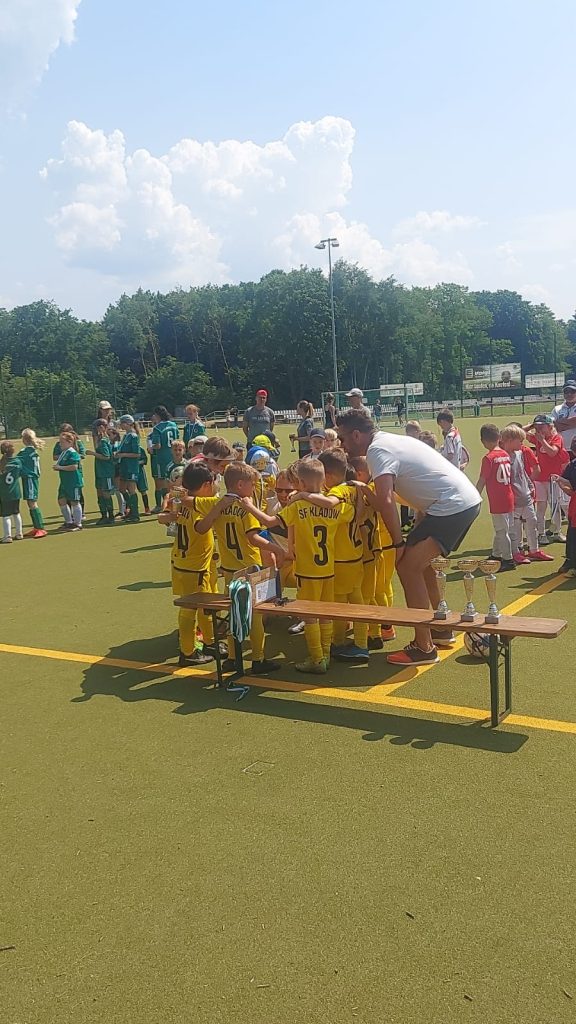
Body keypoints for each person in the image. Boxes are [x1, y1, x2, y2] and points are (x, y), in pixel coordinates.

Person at [336, 408, 481, 665]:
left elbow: (386, 500)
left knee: (407, 566)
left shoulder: (377, 450)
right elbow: (394, 494)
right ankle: (441, 628)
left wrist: (398, 542)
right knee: (421, 566)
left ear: (356, 435)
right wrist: (365, 491)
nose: (342, 445)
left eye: (343, 438)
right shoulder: (388, 441)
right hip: (455, 503)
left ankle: (424, 647)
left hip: (452, 506)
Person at [248, 459, 355, 674]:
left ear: (302, 484)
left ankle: (316, 658)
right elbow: (353, 513)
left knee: (309, 615)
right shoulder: (335, 505)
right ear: (323, 481)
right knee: (325, 612)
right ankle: (325, 654)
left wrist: (249, 506)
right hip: (328, 569)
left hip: (307, 571)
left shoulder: (297, 506)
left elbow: (269, 522)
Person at [195, 461, 285, 675]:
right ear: (240, 484)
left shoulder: (217, 503)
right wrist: (277, 549)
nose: (254, 488)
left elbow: (200, 525)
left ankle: (232, 658)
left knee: (234, 612)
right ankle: (258, 659)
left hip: (229, 568)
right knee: (255, 614)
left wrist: (217, 508)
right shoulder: (246, 507)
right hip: (250, 567)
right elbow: (253, 538)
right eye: (252, 484)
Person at [159, 460, 229, 667]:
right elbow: (201, 526)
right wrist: (218, 509)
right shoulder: (198, 505)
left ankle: (210, 641)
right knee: (190, 608)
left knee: (207, 606)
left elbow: (164, 516)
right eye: (214, 482)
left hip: (190, 562)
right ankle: (188, 651)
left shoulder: (180, 499)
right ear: (207, 484)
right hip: (193, 566)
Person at [499, 425, 552, 563]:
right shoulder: (502, 457)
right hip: (514, 498)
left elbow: (522, 472)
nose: (522, 444)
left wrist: (530, 486)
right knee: (515, 526)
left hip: (526, 495)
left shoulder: (519, 454)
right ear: (509, 440)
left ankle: (534, 550)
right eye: (520, 441)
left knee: (532, 522)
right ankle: (516, 551)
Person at [474, 424, 515, 572]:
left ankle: (508, 559)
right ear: (499, 438)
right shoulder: (505, 454)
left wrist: (475, 495)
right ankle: (496, 554)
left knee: (502, 531)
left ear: (483, 441)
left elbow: (482, 480)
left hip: (498, 499)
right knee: (501, 528)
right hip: (508, 496)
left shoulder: (489, 458)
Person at [524, 413, 569, 545]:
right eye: (537, 427)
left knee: (555, 506)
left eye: (542, 426)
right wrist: (531, 425)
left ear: (550, 427)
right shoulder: (537, 437)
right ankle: (541, 533)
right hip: (540, 479)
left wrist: (542, 440)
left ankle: (556, 532)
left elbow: (552, 452)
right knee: (541, 507)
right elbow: (521, 432)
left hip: (553, 478)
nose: (539, 429)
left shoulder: (556, 438)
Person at [18, 429, 47, 538]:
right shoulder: (32, 451)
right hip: (30, 478)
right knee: (30, 502)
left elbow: (15, 462)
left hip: (30, 479)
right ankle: (36, 527)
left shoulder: (24, 452)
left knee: (32, 503)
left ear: (24, 439)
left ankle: (40, 528)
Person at [86, 418, 116, 524]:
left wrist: (92, 453)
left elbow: (106, 456)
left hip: (106, 471)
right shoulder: (101, 439)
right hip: (99, 471)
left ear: (102, 427)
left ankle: (111, 516)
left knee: (106, 493)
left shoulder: (104, 441)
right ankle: (103, 515)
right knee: (100, 493)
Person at [150, 406, 180, 510]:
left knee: (162, 483)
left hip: (162, 458)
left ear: (157, 415)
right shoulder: (173, 425)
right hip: (174, 456)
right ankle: (177, 504)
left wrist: (151, 447)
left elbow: (158, 445)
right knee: (175, 481)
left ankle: (164, 506)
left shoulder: (157, 428)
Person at [53, 430, 84, 531]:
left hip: (73, 481)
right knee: (61, 500)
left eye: (62, 442)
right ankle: (69, 522)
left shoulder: (72, 452)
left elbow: (74, 467)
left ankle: (78, 524)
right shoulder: (64, 453)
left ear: (70, 442)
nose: (60, 444)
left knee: (74, 501)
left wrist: (60, 468)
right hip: (64, 481)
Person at [553, 439, 576, 574]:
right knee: (572, 533)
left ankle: (571, 562)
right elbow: (571, 488)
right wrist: (561, 482)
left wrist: (560, 481)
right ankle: (570, 561)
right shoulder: (572, 465)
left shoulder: (573, 465)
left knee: (573, 534)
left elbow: (571, 487)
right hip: (574, 504)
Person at [0, 441, 24, 543]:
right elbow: (20, 473)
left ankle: (8, 536)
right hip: (16, 492)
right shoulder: (18, 461)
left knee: (6, 515)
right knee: (16, 513)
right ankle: (19, 533)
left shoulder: (2, 463)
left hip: (5, 493)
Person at [551, 380, 576, 450]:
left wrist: (560, 421)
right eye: (566, 392)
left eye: (572, 391)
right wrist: (572, 423)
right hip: (561, 449)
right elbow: (553, 426)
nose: (569, 394)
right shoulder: (557, 409)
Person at [137, 444, 151, 514]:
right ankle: (129, 509)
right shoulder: (127, 448)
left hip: (140, 472)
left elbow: (145, 460)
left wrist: (138, 462)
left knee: (143, 490)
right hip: (130, 471)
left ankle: (147, 508)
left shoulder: (140, 449)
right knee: (130, 491)